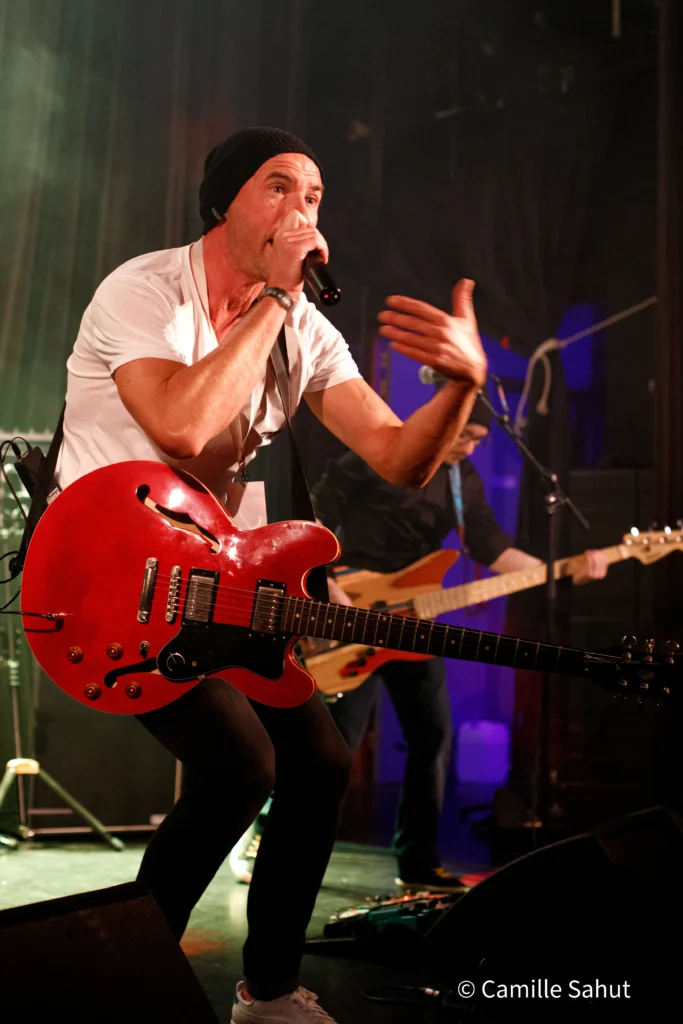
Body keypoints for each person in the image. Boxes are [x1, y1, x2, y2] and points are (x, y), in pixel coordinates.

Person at [55, 127, 488, 1023]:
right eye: (279, 187)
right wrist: (279, 300)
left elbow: (399, 457)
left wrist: (461, 387)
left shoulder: (302, 331)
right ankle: (117, 984)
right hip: (95, 575)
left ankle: (271, 991)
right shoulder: (144, 290)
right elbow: (180, 426)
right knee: (238, 766)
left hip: (198, 578)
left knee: (320, 762)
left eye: (314, 197)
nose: (302, 210)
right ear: (223, 203)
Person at [230, 386, 608, 895]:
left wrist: (560, 571)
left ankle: (418, 862)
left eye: (479, 439)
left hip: (410, 625)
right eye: (465, 435)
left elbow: (491, 547)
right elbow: (311, 516)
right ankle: (264, 837)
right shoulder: (378, 454)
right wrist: (331, 588)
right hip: (352, 614)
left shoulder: (461, 478)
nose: (470, 447)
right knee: (332, 746)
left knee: (432, 736)